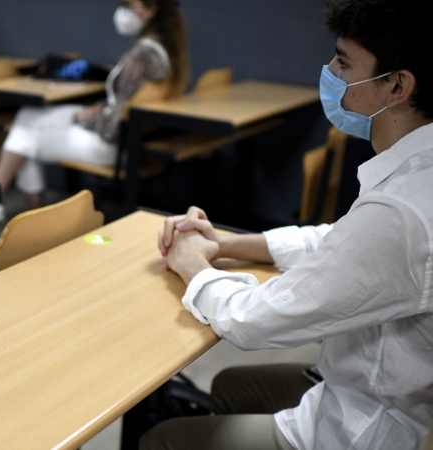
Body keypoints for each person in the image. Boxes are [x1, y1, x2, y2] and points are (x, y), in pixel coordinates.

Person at [144, 0, 433, 449]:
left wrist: (193, 266)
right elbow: (345, 245)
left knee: (163, 439)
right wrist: (225, 243)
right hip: (376, 391)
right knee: (228, 388)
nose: (331, 73)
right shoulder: (416, 174)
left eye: (343, 61)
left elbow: (254, 321)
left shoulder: (403, 212)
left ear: (396, 86)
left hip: (369, 425)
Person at [0, 0, 190, 221]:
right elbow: (126, 104)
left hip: (112, 145)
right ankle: (19, 212)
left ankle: (0, 201)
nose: (122, 10)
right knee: (27, 117)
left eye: (128, 4)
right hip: (131, 140)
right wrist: (96, 110)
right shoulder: (164, 50)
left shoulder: (143, 54)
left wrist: (82, 118)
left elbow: (113, 125)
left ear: (150, 10)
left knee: (25, 134)